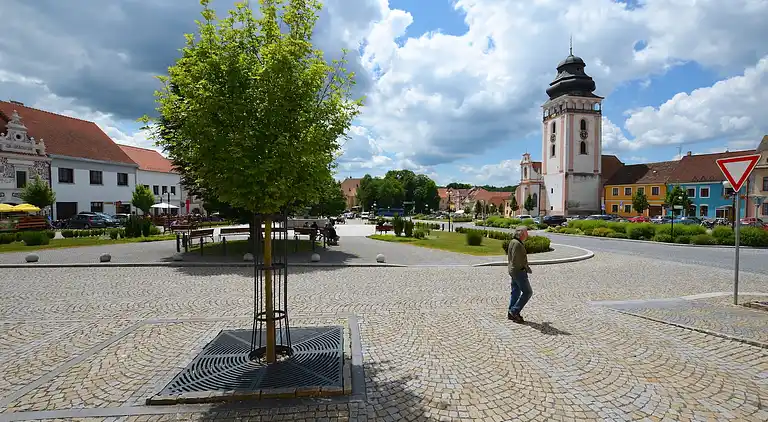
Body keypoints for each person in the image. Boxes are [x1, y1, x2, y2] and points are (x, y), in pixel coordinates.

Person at [507, 226, 532, 323]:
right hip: (518, 272)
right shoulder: (517, 244)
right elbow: (517, 261)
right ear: (521, 234)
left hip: (514, 271)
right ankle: (514, 311)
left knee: (516, 292)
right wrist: (525, 268)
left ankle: (511, 312)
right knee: (528, 292)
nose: (527, 234)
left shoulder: (513, 242)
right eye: (526, 232)